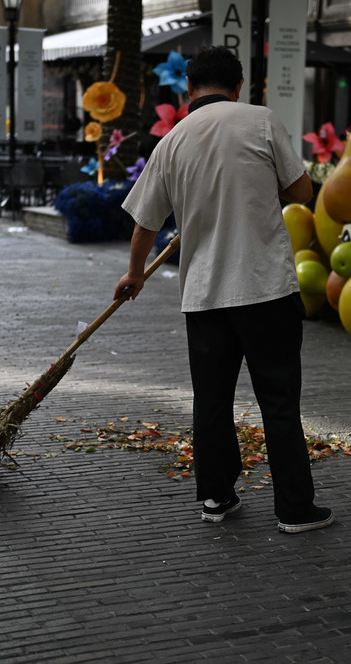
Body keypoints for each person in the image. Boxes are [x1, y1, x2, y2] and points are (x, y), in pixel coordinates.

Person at [114, 46, 333, 534]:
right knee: (278, 402)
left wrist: (135, 272)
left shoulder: (171, 142)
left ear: (188, 89)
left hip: (205, 296)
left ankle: (216, 497)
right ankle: (294, 510)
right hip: (265, 290)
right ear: (239, 87)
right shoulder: (261, 121)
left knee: (211, 402)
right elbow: (302, 192)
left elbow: (145, 223)